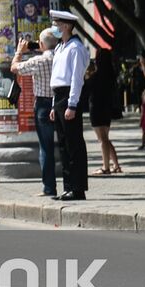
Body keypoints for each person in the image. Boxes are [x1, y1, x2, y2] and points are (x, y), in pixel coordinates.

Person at [48, 10, 90, 200]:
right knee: (63, 145)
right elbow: (55, 78)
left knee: (74, 144)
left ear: (66, 26)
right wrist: (53, 105)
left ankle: (78, 188)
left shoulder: (75, 48)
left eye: (56, 24)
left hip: (69, 96)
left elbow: (76, 79)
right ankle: (68, 186)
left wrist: (72, 104)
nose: (54, 27)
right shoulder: (60, 47)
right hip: (59, 97)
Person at [12, 32, 58, 197]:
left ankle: (49, 188)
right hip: (60, 102)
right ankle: (71, 185)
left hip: (43, 106)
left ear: (42, 44)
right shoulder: (61, 56)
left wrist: (19, 51)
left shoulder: (39, 61)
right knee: (66, 146)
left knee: (46, 148)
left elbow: (14, 67)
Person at [88, 48, 120, 175]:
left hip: (96, 108)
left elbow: (86, 88)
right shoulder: (111, 75)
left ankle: (105, 167)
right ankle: (115, 164)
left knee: (102, 139)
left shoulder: (96, 76)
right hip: (107, 108)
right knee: (105, 138)